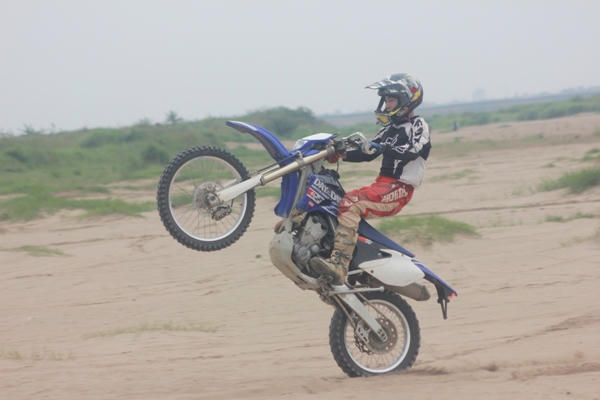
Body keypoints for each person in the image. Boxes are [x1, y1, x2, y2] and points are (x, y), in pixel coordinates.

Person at [310, 73, 431, 285]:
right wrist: (339, 153)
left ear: (406, 100)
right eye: (385, 99)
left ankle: (339, 266)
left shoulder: (418, 125)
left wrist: (383, 147)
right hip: (382, 185)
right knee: (329, 198)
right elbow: (367, 153)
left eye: (391, 99)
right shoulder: (389, 129)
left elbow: (412, 151)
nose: (386, 104)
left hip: (399, 189)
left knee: (351, 203)